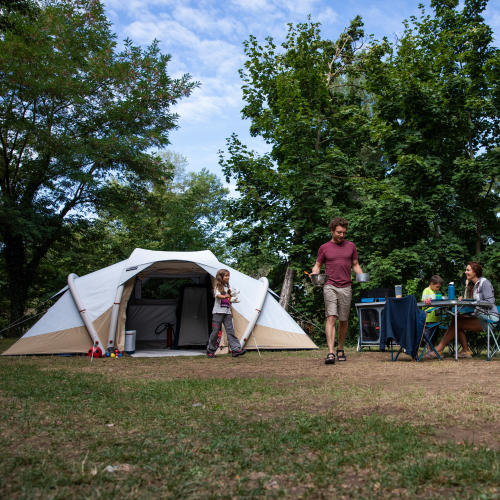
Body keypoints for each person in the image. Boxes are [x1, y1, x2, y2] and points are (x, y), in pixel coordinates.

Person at [312, 216, 363, 364]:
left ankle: (340, 348)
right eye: (339, 232)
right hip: (330, 285)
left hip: (346, 286)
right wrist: (315, 272)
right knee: (331, 317)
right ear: (332, 231)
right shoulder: (324, 248)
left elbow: (355, 264)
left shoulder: (351, 246)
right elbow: (317, 265)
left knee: (343, 320)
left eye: (344, 233)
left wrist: (360, 275)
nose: (342, 235)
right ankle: (330, 352)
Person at [424, 262, 498, 359]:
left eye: (468, 270)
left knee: (458, 321)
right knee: (456, 319)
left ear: (475, 272)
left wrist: (473, 303)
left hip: (489, 318)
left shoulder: (485, 283)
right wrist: (465, 300)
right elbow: (476, 302)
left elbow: (490, 302)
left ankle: (438, 349)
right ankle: (465, 351)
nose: (465, 272)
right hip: (480, 316)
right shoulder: (476, 285)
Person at [206, 269, 246, 358]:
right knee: (215, 332)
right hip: (218, 312)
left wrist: (232, 300)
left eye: (228, 275)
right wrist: (225, 296)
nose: (228, 277)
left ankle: (236, 350)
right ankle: (210, 350)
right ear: (221, 277)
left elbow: (228, 300)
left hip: (227, 312)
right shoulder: (217, 286)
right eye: (226, 276)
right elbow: (217, 295)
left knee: (230, 331)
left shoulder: (228, 287)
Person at [422, 275, 444, 341]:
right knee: (428, 335)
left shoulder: (438, 292)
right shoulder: (426, 290)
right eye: (437, 287)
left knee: (434, 335)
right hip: (428, 318)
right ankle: (429, 349)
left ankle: (433, 349)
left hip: (436, 318)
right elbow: (424, 300)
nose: (438, 289)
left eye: (439, 287)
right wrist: (426, 300)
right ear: (431, 283)